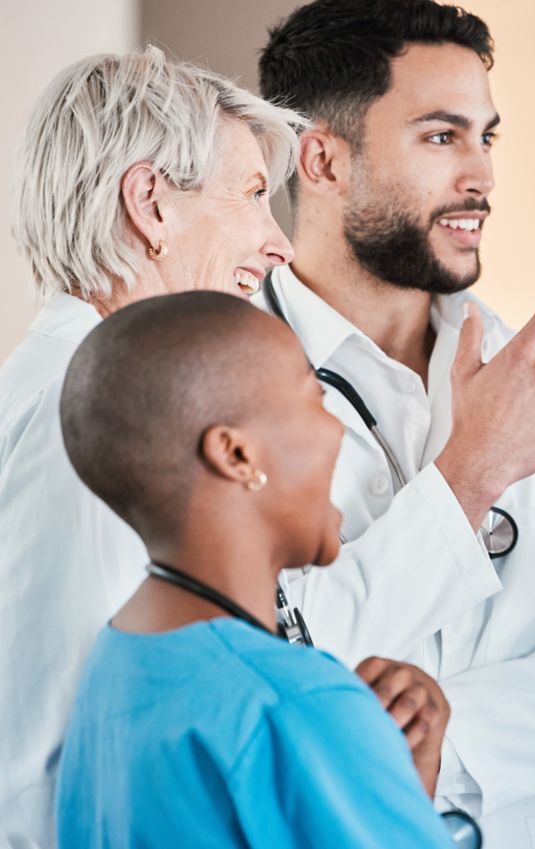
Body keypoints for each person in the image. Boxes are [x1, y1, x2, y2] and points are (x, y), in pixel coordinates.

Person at [256, 1, 535, 842]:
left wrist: (452, 728)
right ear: (322, 159)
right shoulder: (220, 386)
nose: (481, 176)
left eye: (487, 137)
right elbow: (262, 673)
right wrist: (467, 477)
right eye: (441, 136)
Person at [0, 47, 305, 848]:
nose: (282, 247)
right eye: (252, 195)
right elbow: (37, 768)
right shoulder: (80, 416)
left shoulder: (87, 393)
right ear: (151, 204)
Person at [53, 291, 455, 848]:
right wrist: (397, 794)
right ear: (236, 456)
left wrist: (378, 793)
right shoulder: (297, 707)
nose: (338, 429)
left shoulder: (117, 665)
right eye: (315, 400)